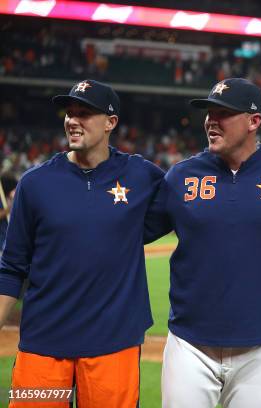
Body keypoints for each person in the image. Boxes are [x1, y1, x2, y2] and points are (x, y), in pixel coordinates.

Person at [150, 78, 261, 407]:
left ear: (254, 121)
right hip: (190, 344)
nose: (211, 120)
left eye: (223, 113)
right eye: (209, 112)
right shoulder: (182, 175)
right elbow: (134, 231)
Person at [0, 79, 165, 407]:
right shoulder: (35, 183)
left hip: (113, 345)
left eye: (85, 113)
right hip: (42, 345)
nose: (72, 120)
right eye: (69, 112)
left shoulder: (140, 175)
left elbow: (193, 197)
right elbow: (12, 266)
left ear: (110, 122)